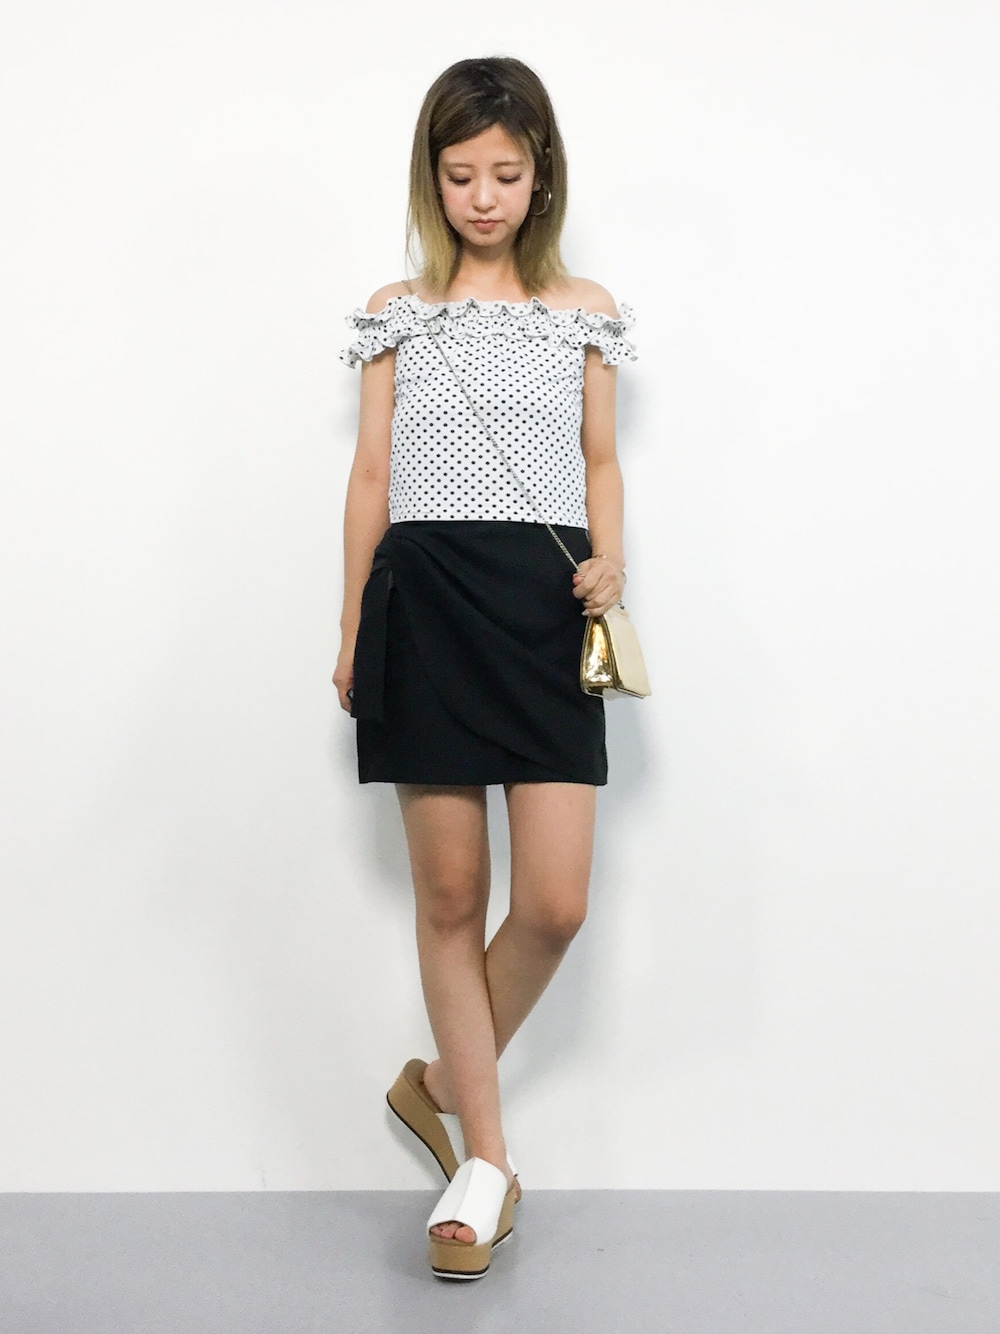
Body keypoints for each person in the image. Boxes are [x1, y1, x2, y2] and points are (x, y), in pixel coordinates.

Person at [334, 55, 636, 1281]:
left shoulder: (583, 310)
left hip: (542, 607)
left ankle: (436, 1082)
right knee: (452, 897)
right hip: (424, 601)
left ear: (540, 174)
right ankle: (488, 1161)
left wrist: (612, 561)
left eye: (504, 173)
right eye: (459, 175)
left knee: (554, 900)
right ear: (433, 177)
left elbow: (600, 460)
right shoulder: (397, 310)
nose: (482, 197)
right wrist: (350, 626)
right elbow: (369, 473)